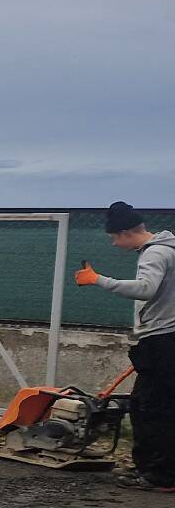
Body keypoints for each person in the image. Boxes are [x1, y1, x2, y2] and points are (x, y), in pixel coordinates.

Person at [75, 201, 175, 490]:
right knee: (148, 405)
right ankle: (150, 469)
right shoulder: (169, 249)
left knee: (153, 408)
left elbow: (146, 289)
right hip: (164, 338)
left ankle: (161, 476)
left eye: (113, 238)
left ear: (125, 232)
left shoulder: (155, 253)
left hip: (163, 338)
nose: (114, 244)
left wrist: (98, 280)